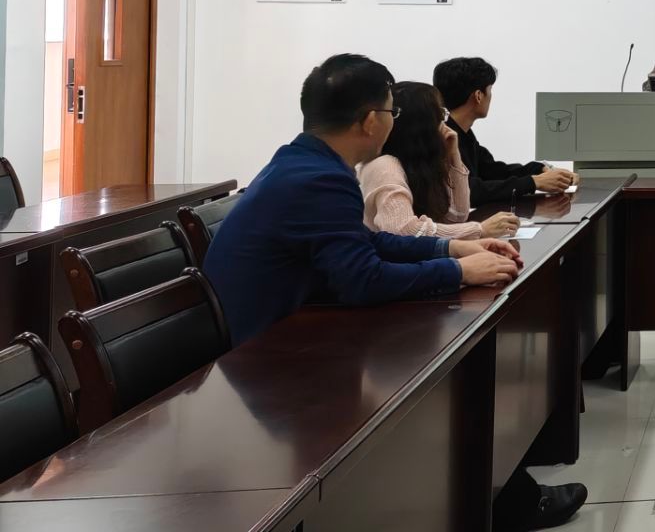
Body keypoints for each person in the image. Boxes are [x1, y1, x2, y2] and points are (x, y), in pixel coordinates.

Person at [203, 54, 588, 531]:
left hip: (291, 333)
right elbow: (363, 279)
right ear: (370, 121)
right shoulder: (319, 178)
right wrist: (459, 271)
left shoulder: (303, 163)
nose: (394, 121)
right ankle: (498, 502)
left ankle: (501, 495)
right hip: (274, 359)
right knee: (444, 372)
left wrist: (452, 248)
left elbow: (369, 243)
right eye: (392, 111)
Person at [361, 81, 520, 240]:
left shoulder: (416, 164)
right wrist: (479, 229)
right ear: (423, 125)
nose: (444, 122)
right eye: (440, 114)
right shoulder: (385, 166)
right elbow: (404, 231)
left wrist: (454, 156)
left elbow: (457, 216)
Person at [434, 57, 578, 205]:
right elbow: (470, 190)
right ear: (478, 96)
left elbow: (494, 171)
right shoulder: (443, 139)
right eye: (490, 90)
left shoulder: (464, 136)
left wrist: (540, 170)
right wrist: (534, 182)